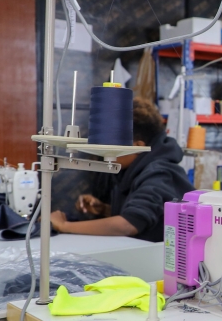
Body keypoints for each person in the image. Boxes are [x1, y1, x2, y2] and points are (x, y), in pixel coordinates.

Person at [50, 98, 194, 241]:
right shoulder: (132, 169)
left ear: (138, 146)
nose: (105, 149)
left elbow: (129, 225)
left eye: (112, 143)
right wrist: (105, 210)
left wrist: (64, 226)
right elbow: (150, 221)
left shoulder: (160, 173)